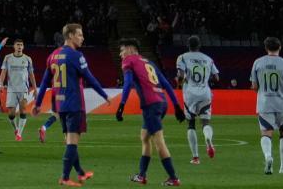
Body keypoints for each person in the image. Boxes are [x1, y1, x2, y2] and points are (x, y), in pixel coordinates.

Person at [33, 23, 108, 187]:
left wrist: (38, 104)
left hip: (61, 105)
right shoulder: (76, 55)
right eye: (80, 35)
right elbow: (90, 78)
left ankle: (80, 173)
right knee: (72, 142)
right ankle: (65, 177)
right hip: (74, 104)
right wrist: (104, 95)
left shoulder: (53, 55)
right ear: (71, 36)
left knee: (69, 140)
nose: (82, 38)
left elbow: (45, 81)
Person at [114, 38, 186, 185]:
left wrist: (121, 105)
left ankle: (174, 178)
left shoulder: (129, 61)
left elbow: (127, 83)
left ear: (131, 49)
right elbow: (165, 83)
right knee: (145, 137)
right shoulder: (149, 62)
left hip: (151, 106)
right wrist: (177, 106)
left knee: (159, 142)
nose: (121, 54)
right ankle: (141, 175)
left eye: (122, 50)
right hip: (161, 102)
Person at [251, 36, 283, 176]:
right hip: (282, 104)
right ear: (280, 47)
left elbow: (254, 86)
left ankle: (268, 157)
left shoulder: (257, 63)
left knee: (266, 133)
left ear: (266, 48)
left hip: (264, 104)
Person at [174, 36, 221, 164]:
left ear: (188, 45)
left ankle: (195, 157)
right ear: (199, 45)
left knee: (191, 124)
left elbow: (181, 75)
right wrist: (206, 78)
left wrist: (178, 82)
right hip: (205, 93)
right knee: (205, 122)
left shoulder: (182, 57)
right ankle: (208, 140)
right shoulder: (208, 59)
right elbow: (217, 78)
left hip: (190, 94)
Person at [2, 39, 36, 141]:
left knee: (23, 110)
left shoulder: (28, 59)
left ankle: (19, 134)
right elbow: (3, 72)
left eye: (21, 45)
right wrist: (0, 83)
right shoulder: (8, 58)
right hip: (11, 89)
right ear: (14, 46)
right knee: (11, 114)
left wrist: (35, 87)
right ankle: (16, 128)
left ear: (23, 47)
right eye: (17, 45)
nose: (19, 46)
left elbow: (31, 74)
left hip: (24, 89)